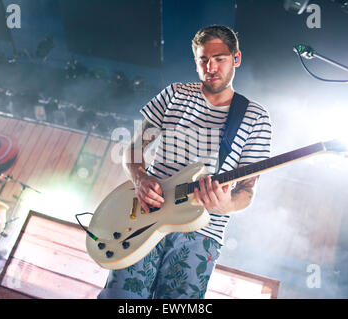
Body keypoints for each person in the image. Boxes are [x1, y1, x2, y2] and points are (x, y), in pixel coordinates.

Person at [97, 25, 272, 299]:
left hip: (202, 232)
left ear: (236, 58)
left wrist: (225, 204)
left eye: (220, 59)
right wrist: (141, 179)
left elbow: (247, 192)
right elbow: (132, 151)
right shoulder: (175, 94)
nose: (210, 67)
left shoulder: (255, 117)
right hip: (145, 217)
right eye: (203, 60)